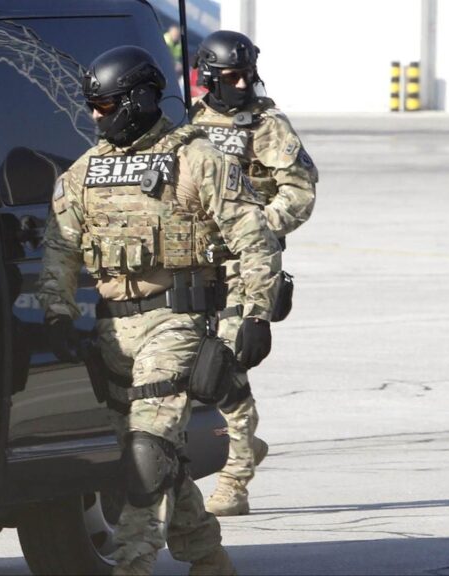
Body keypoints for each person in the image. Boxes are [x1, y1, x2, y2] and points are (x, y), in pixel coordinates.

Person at [37, 45, 282, 575]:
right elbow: (60, 247)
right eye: (93, 107)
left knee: (147, 454)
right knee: (154, 456)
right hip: (113, 332)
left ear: (140, 100)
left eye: (107, 106)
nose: (97, 117)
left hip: (176, 322)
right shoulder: (86, 171)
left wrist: (255, 314)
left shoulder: (198, 158)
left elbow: (253, 237)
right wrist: (57, 313)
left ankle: (132, 564)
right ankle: (208, 557)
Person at [190, 30, 318, 517]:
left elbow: (299, 191)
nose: (242, 84)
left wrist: (259, 225)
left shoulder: (267, 124)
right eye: (232, 76)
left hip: (248, 266)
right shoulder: (188, 122)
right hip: (195, 263)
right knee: (189, 367)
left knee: (227, 363)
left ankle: (235, 477)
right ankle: (239, 443)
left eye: (247, 75)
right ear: (209, 77)